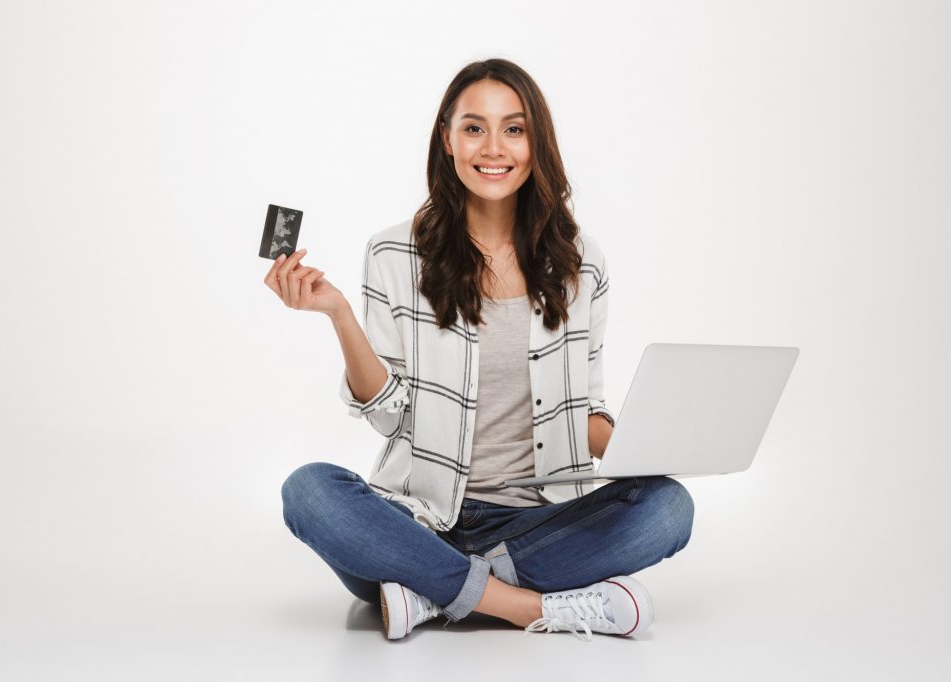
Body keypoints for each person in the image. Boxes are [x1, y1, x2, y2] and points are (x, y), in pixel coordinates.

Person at [265, 58, 694, 642]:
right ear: (447, 138)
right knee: (308, 489)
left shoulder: (581, 263)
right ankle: (523, 605)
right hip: (418, 517)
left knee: (669, 508)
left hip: (540, 519)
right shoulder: (394, 254)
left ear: (536, 141)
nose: (494, 148)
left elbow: (586, 411)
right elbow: (390, 415)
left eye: (514, 129)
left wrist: (648, 447)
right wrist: (339, 314)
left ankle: (432, 593)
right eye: (474, 127)